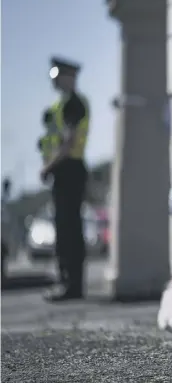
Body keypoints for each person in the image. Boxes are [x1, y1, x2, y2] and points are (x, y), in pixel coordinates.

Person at [40, 57, 90, 302]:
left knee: (69, 229)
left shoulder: (73, 104)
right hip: (65, 170)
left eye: (58, 76)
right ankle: (68, 282)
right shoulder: (62, 105)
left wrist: (47, 166)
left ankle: (72, 285)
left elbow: (69, 142)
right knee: (64, 228)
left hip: (69, 169)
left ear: (69, 76)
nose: (55, 81)